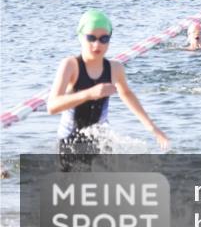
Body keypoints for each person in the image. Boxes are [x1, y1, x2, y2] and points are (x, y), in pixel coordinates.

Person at [48, 10, 169, 166]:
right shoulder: (71, 66)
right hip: (69, 146)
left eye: (104, 39)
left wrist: (153, 129)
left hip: (100, 143)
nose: (97, 45)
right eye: (91, 38)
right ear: (80, 36)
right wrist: (89, 94)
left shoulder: (115, 68)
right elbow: (52, 107)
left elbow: (127, 95)